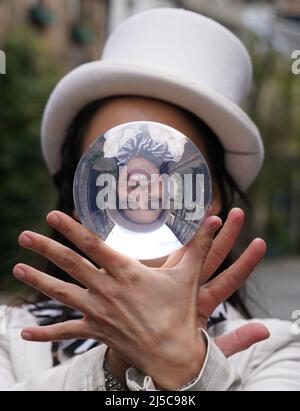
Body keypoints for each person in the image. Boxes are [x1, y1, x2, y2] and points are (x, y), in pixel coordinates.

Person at [1, 8, 300, 391]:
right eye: (109, 167)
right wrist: (120, 360)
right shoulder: (11, 336)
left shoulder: (272, 349)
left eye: (170, 166)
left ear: (212, 202)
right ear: (78, 203)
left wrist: (191, 371)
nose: (138, 185)